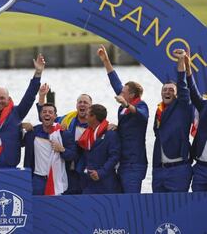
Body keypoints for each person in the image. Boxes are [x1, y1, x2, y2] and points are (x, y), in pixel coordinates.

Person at [97, 45, 148, 193]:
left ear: (132, 95)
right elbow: (115, 83)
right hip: (123, 161)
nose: (121, 93)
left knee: (131, 201)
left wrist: (126, 104)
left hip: (134, 163)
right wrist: (106, 61)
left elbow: (141, 115)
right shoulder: (124, 105)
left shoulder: (141, 105)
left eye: (124, 92)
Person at [37, 83, 91, 194]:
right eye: (80, 102)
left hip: (86, 167)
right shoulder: (66, 120)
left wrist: (113, 126)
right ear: (76, 105)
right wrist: (42, 96)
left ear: (91, 106)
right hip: (68, 167)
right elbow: (45, 118)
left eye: (85, 102)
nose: (82, 104)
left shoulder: (95, 124)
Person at [152, 48, 193, 193]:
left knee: (178, 211)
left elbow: (182, 86)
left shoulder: (183, 106)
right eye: (164, 90)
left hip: (179, 170)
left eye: (171, 90)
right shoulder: (159, 110)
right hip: (159, 170)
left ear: (177, 95)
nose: (167, 92)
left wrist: (181, 61)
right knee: (158, 211)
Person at [23, 103, 77, 195]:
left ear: (55, 116)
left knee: (56, 207)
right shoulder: (33, 132)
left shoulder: (64, 134)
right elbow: (17, 142)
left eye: (50, 112)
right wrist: (20, 126)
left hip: (57, 179)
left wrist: (62, 150)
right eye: (44, 112)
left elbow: (73, 155)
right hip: (37, 179)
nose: (47, 114)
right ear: (40, 115)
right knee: (37, 207)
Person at [78, 104, 121, 194]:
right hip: (88, 182)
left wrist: (100, 173)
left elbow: (114, 157)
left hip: (105, 182)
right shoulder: (87, 133)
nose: (85, 117)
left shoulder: (110, 134)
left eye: (87, 114)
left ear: (94, 117)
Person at [185, 51, 207, 191]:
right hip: (201, 167)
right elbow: (193, 91)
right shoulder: (204, 105)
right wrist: (188, 68)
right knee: (197, 204)